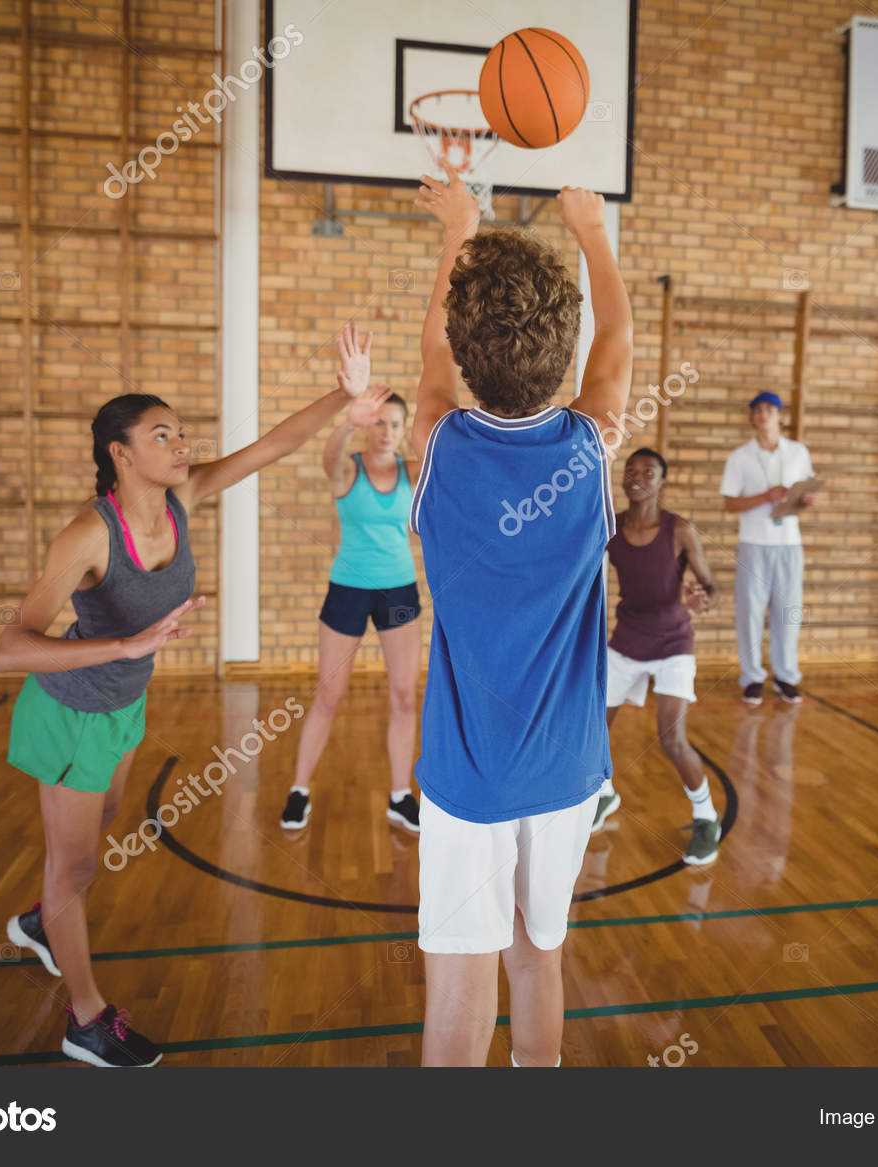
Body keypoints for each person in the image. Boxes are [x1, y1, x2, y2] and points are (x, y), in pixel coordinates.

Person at [0, 325, 383, 1067]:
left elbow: (270, 446)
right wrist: (123, 645)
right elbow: (8, 644)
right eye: (162, 433)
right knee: (73, 868)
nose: (182, 443)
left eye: (181, 431)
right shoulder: (86, 535)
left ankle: (47, 922)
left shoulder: (184, 497)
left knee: (102, 822)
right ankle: (85, 1019)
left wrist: (347, 394)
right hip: (70, 709)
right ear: (121, 453)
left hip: (121, 706)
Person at [409, 170, 631, 1068]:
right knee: (540, 958)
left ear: (467, 354)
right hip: (569, 770)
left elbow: (430, 354)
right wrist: (591, 231)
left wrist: (456, 231)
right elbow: (615, 334)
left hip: (470, 777)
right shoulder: (591, 448)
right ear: (563, 351)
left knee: (459, 993)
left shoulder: (437, 445)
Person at [280, 362, 423, 833]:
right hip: (348, 589)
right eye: (380, 421)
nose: (387, 431)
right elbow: (329, 456)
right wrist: (347, 421)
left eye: (395, 424)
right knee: (328, 695)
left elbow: (447, 455)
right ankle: (299, 790)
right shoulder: (348, 470)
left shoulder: (412, 471)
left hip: (399, 590)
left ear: (404, 430)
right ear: (369, 424)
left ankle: (401, 796)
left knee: (404, 696)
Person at [595, 447, 723, 865]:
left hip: (672, 643)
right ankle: (605, 792)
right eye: (631, 470)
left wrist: (704, 599)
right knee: (593, 728)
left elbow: (711, 586)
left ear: (661, 483)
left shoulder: (679, 530)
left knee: (671, 738)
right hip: (628, 639)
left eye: (648, 472)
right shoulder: (611, 527)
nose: (637, 477)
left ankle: (706, 817)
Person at [719, 391, 819, 706]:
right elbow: (729, 503)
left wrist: (809, 500)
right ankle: (752, 678)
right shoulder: (740, 457)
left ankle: (786, 676)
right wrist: (765, 496)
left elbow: (809, 491)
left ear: (780, 416)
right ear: (753, 417)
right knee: (749, 613)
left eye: (769, 410)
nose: (763, 415)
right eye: (758, 410)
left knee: (788, 612)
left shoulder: (798, 453)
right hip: (754, 543)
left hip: (789, 544)